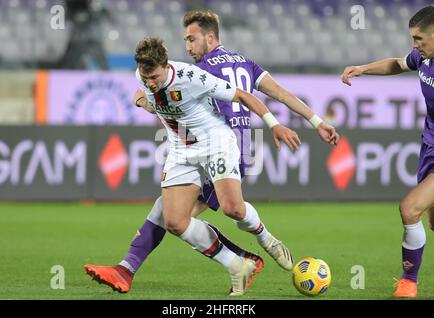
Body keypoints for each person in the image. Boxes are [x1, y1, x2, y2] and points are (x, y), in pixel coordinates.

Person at [85, 11, 340, 295]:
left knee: (209, 212)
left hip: (220, 143)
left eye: (191, 39)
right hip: (198, 146)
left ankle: (259, 246)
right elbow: (279, 92)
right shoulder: (242, 62)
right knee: (174, 218)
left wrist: (275, 124)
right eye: (185, 41)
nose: (188, 46)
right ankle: (133, 268)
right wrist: (316, 122)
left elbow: (242, 97)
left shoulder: (198, 72)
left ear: (209, 36)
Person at [341, 5, 434, 298]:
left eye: (420, 39)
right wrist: (364, 69)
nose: (414, 45)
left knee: (410, 208)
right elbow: (398, 63)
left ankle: (409, 283)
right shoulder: (423, 57)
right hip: (430, 145)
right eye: (413, 38)